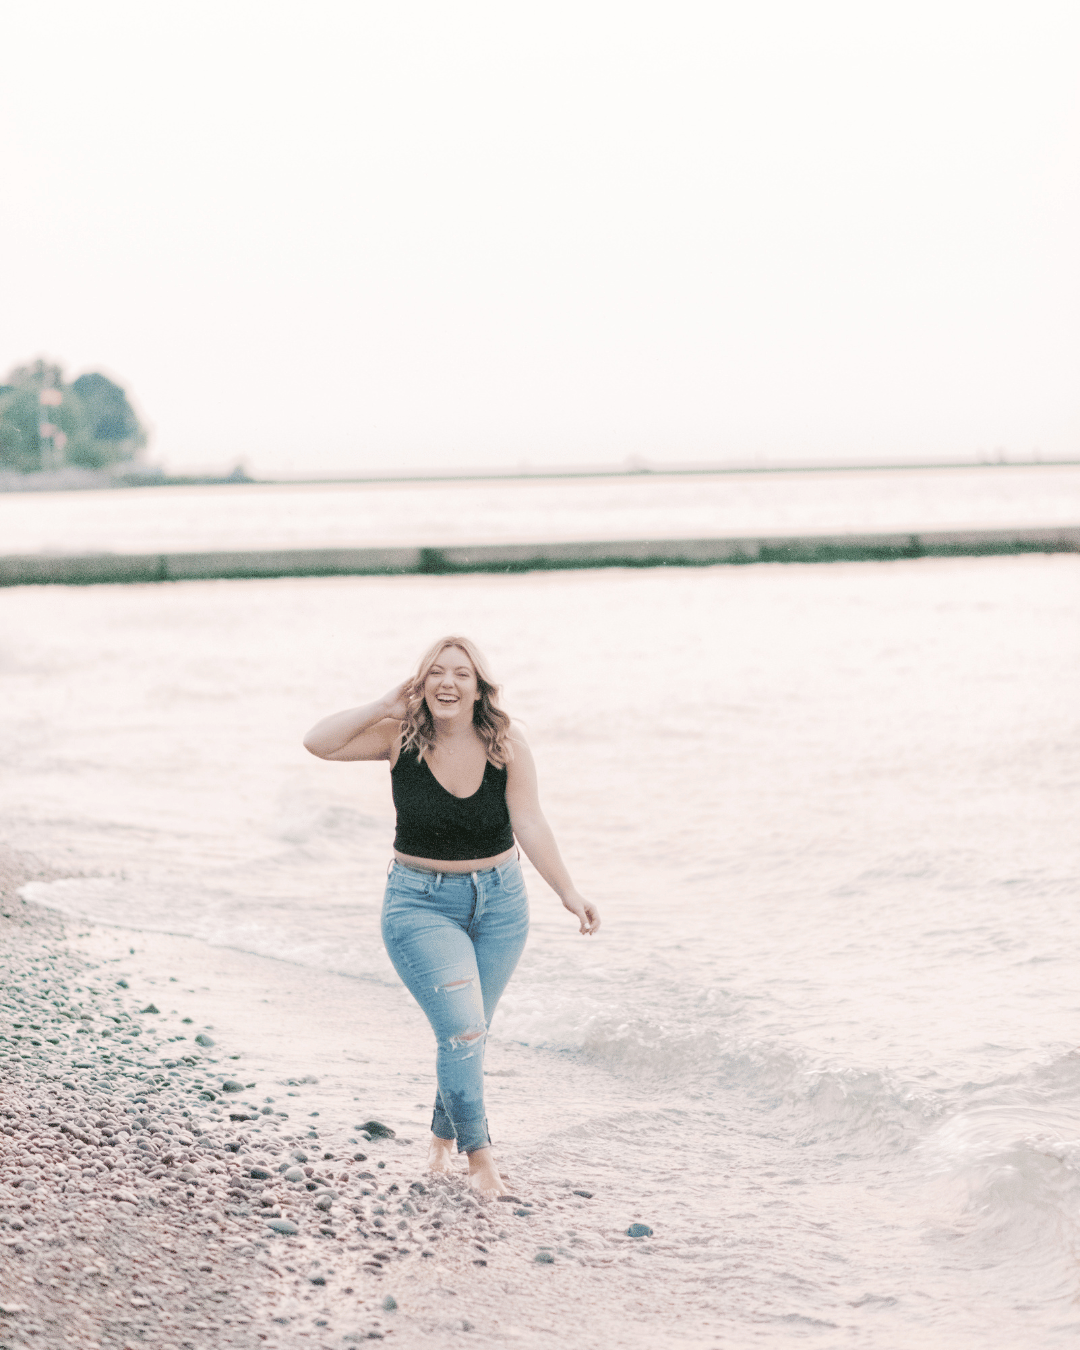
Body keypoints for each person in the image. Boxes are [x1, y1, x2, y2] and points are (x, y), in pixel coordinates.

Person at [303, 635, 600, 1197]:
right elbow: (318, 742)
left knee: (470, 1032)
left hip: (502, 904)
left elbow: (529, 820)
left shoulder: (506, 742)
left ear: (479, 687)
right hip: (420, 905)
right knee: (463, 1031)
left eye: (462, 674)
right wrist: (383, 704)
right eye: (436, 672)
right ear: (420, 684)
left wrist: (567, 890)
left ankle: (442, 1137)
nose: (448, 682)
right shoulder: (399, 736)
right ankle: (480, 1159)